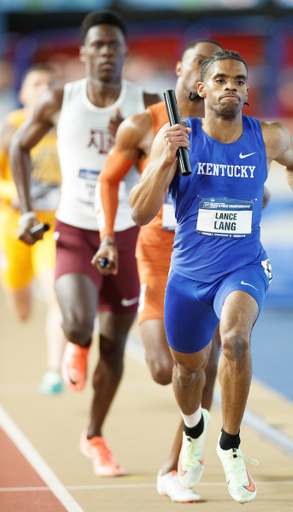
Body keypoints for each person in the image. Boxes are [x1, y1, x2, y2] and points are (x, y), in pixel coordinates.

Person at [129, 50, 293, 504]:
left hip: (243, 267)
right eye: (220, 79)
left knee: (236, 339)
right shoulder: (178, 136)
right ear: (201, 88)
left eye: (239, 80)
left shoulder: (269, 137)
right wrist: (164, 160)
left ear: (247, 90)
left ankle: (230, 446)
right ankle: (195, 431)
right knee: (187, 373)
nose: (231, 87)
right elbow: (139, 213)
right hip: (187, 278)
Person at [10, 10, 160, 478]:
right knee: (77, 324)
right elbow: (18, 146)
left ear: (124, 51)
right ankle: (75, 344)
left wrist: (139, 149)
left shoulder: (148, 103)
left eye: (114, 45)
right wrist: (27, 210)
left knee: (114, 348)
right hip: (75, 229)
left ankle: (94, 436)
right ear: (83, 52)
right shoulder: (60, 99)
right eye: (97, 45)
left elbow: (171, 164)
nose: (106, 53)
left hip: (129, 233)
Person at [92, 39, 224, 503]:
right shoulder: (144, 124)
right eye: (197, 65)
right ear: (181, 69)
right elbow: (110, 180)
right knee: (164, 370)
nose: (205, 75)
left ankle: (177, 467)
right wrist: (108, 235)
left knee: (205, 367)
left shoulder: (229, 129)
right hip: (157, 257)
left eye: (216, 69)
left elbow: (253, 186)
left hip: (213, 258)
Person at [0, 63, 66, 395]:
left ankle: (54, 370)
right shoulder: (10, 127)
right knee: (21, 309)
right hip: (15, 226)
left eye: (51, 83)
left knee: (58, 293)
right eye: (37, 83)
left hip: (51, 226)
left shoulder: (65, 128)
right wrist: (13, 194)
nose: (44, 89)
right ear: (23, 93)